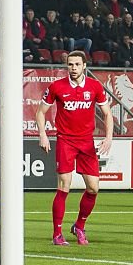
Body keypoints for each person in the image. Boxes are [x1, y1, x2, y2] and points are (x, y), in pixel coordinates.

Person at [36, 51, 113, 246]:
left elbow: (107, 113)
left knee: (93, 188)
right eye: (70, 65)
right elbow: (40, 112)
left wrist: (108, 137)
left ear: (84, 66)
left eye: (77, 64)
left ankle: (79, 225)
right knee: (64, 186)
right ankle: (57, 234)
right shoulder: (57, 87)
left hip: (87, 141)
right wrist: (43, 134)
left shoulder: (95, 86)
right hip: (65, 140)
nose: (73, 68)